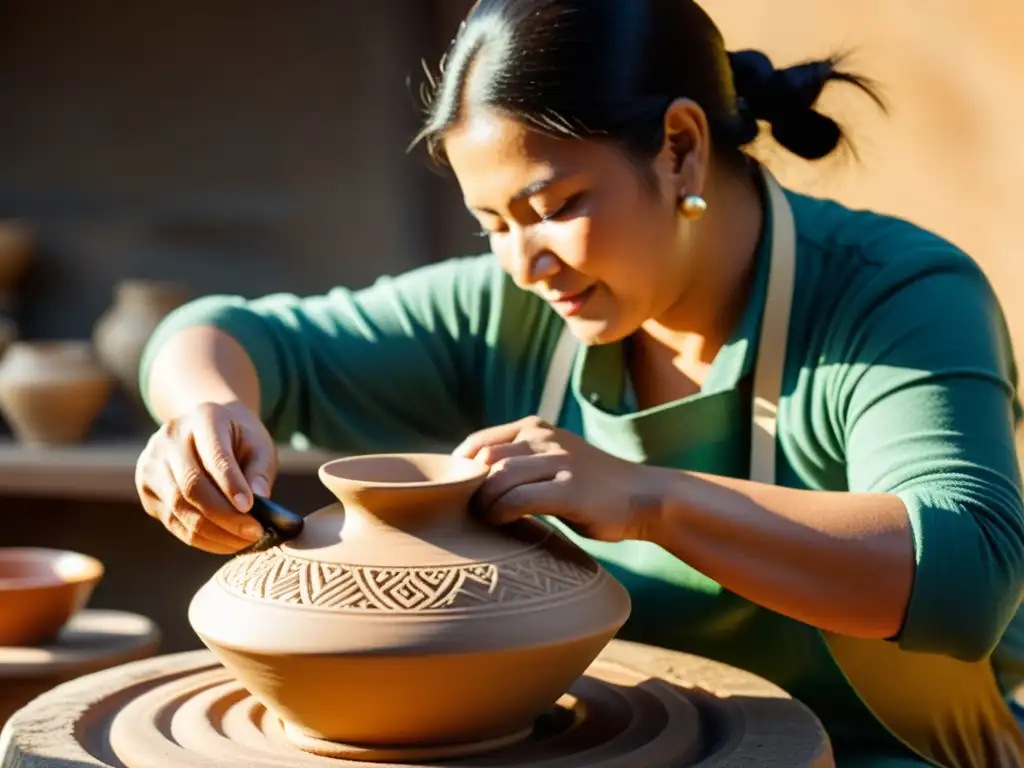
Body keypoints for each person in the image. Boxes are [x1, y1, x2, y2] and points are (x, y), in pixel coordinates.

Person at [134, 1, 1024, 765]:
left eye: (557, 208)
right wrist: (203, 416)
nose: (525, 264)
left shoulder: (892, 295)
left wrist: (645, 497)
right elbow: (222, 333)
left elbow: (966, 568)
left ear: (678, 147)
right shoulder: (515, 308)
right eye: (492, 223)